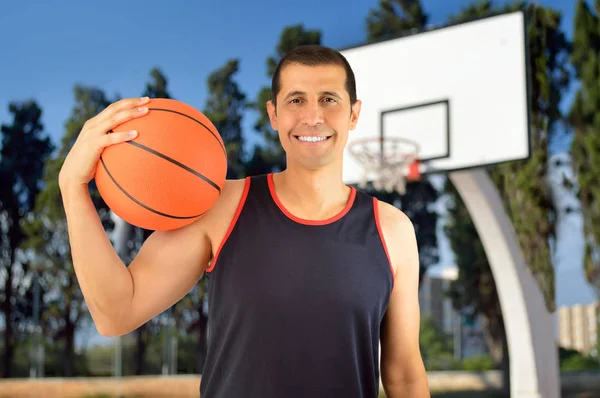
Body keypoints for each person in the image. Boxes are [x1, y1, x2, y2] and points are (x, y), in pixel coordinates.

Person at [59, 44, 430, 398]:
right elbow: (115, 313)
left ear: (353, 113)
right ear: (274, 115)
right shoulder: (221, 208)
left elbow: (404, 376)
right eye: (296, 100)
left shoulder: (392, 230)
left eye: (329, 100)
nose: (313, 116)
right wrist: (73, 189)